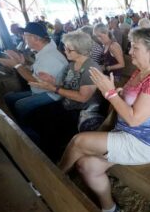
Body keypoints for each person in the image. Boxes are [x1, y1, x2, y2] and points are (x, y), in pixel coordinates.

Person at [57, 28, 150, 212]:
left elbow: (135, 119)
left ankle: (56, 175)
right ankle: (111, 210)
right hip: (129, 134)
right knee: (86, 166)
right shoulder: (141, 71)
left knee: (79, 141)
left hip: (147, 143)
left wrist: (110, 94)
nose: (130, 51)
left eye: (135, 47)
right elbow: (131, 102)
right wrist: (118, 93)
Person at [26, 31, 102, 161]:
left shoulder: (91, 68)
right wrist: (52, 81)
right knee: (34, 115)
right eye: (65, 47)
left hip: (80, 110)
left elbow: (82, 97)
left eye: (68, 49)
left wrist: (54, 88)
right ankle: (43, 154)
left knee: (48, 129)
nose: (64, 50)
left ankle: (55, 161)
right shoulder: (72, 65)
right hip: (67, 104)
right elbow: (65, 84)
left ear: (79, 50)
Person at [0, 22, 67, 124]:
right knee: (9, 97)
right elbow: (36, 71)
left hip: (52, 94)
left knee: (20, 105)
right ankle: (19, 123)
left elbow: (36, 81)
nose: (23, 38)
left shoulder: (49, 56)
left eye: (25, 36)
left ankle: (26, 130)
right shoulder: (45, 50)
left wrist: (17, 65)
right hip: (41, 88)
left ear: (35, 38)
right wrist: (23, 64)